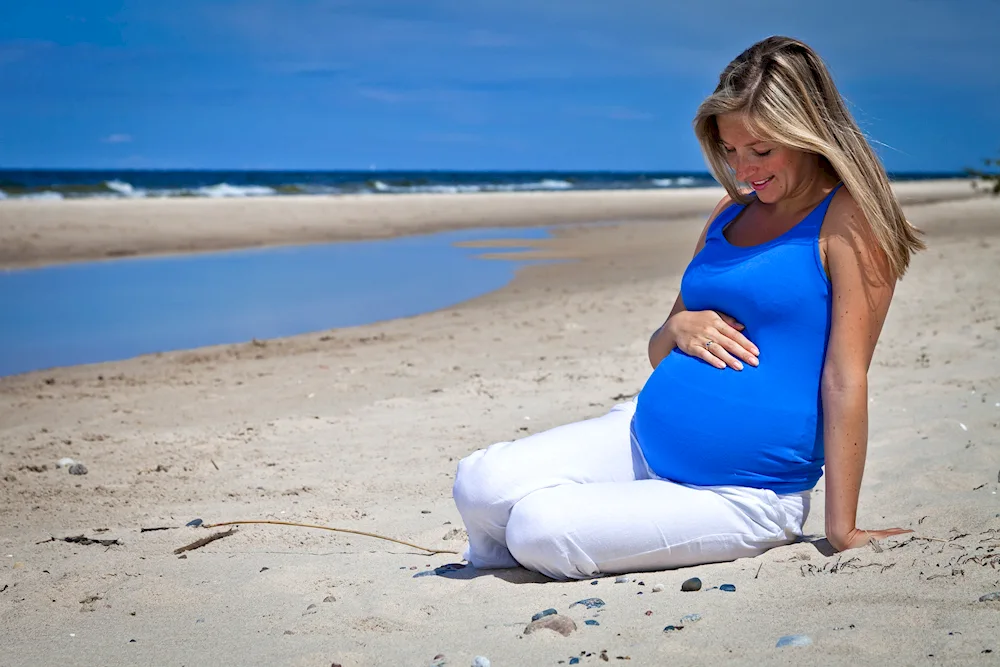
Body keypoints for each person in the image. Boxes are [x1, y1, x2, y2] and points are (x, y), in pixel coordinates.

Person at [451, 36, 925, 581]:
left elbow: (846, 376)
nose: (745, 169)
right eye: (731, 150)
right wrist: (678, 324)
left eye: (762, 150)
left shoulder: (850, 219)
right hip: (640, 434)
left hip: (744, 490)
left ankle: (557, 536)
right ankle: (592, 522)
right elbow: (660, 350)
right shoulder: (730, 212)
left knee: (540, 527)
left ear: (808, 132)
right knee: (478, 482)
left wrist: (843, 530)